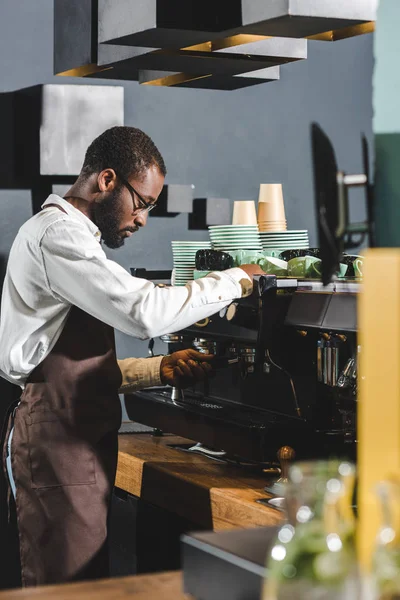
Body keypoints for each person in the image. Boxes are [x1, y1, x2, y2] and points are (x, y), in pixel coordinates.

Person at [0, 126, 261, 587]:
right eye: (142, 204)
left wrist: (155, 369)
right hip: (58, 441)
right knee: (69, 593)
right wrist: (235, 280)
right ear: (106, 180)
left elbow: (72, 370)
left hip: (74, 439)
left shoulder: (75, 241)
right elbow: (143, 312)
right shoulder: (57, 235)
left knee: (82, 586)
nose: (142, 220)